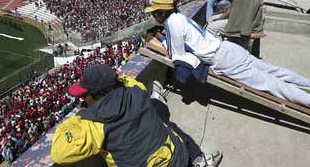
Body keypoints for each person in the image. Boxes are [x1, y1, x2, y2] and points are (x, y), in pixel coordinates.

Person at [144, 0, 310, 107]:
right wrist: (162, 36)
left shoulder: (172, 23)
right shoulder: (180, 17)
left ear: (161, 13)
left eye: (154, 13)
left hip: (223, 60)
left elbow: (177, 54)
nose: (153, 16)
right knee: (273, 71)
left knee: (273, 84)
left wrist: (156, 40)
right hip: (227, 48)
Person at [50, 64, 222, 167]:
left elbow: (58, 154)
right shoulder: (136, 88)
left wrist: (78, 118)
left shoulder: (93, 124)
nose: (82, 100)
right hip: (179, 158)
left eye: (83, 96)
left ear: (95, 95)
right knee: (165, 120)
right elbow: (124, 79)